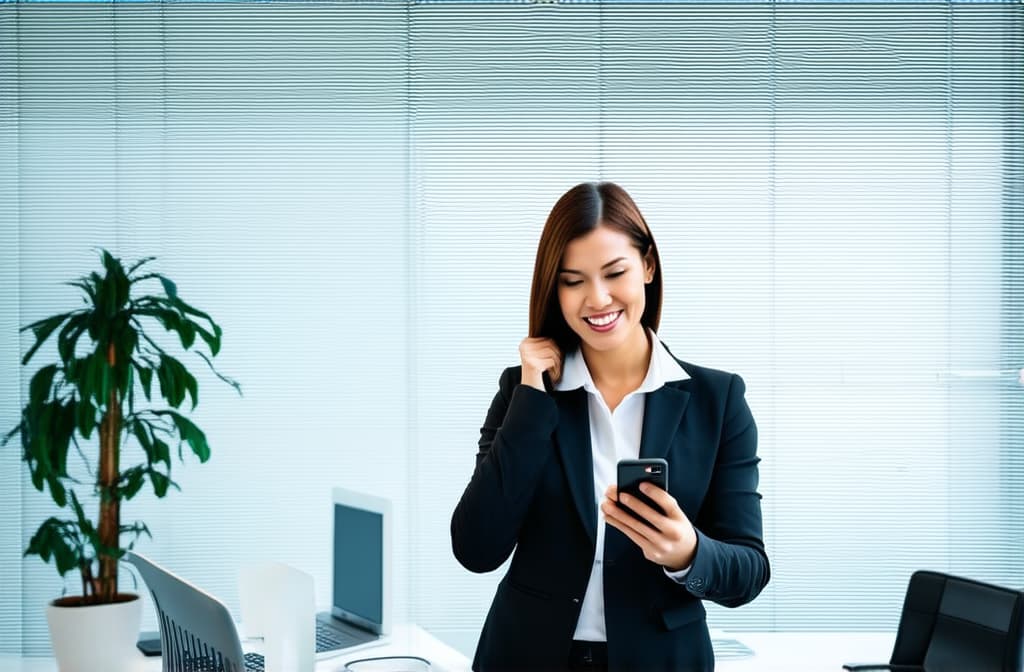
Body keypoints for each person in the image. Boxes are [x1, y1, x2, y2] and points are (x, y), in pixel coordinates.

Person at [450, 182, 770, 672]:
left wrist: (688, 552)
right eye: (573, 280)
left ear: (647, 265)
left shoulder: (718, 400)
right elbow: (476, 548)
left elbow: (748, 570)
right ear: (553, 289)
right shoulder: (524, 392)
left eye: (614, 272)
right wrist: (533, 401)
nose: (597, 299)